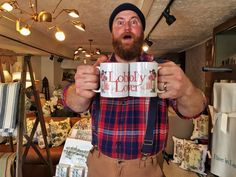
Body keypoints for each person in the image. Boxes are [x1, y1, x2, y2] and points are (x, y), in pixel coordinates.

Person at [63, 3, 207, 177]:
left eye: (134, 22)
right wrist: (78, 90)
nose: (127, 27)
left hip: (146, 167)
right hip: (100, 164)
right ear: (112, 33)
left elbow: (196, 109)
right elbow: (72, 103)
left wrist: (186, 89)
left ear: (142, 33)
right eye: (120, 22)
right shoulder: (98, 69)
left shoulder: (160, 69)